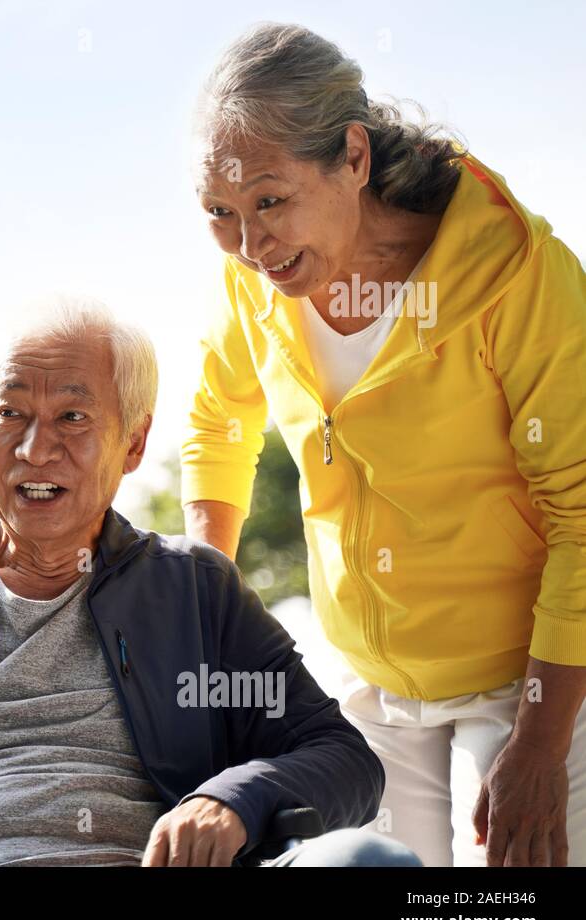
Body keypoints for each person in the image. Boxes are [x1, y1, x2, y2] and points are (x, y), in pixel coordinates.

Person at [0, 299, 418, 867]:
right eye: (10, 413)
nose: (36, 450)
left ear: (134, 443)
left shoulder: (195, 590)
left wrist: (233, 801)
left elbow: (346, 761)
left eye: (72, 416)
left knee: (367, 861)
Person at [183, 23, 586, 866]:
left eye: (270, 200)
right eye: (220, 213)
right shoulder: (256, 283)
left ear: (353, 157)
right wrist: (202, 604)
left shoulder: (515, 272)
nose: (251, 246)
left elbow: (582, 513)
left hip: (533, 679)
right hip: (369, 682)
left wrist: (544, 744)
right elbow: (219, 426)